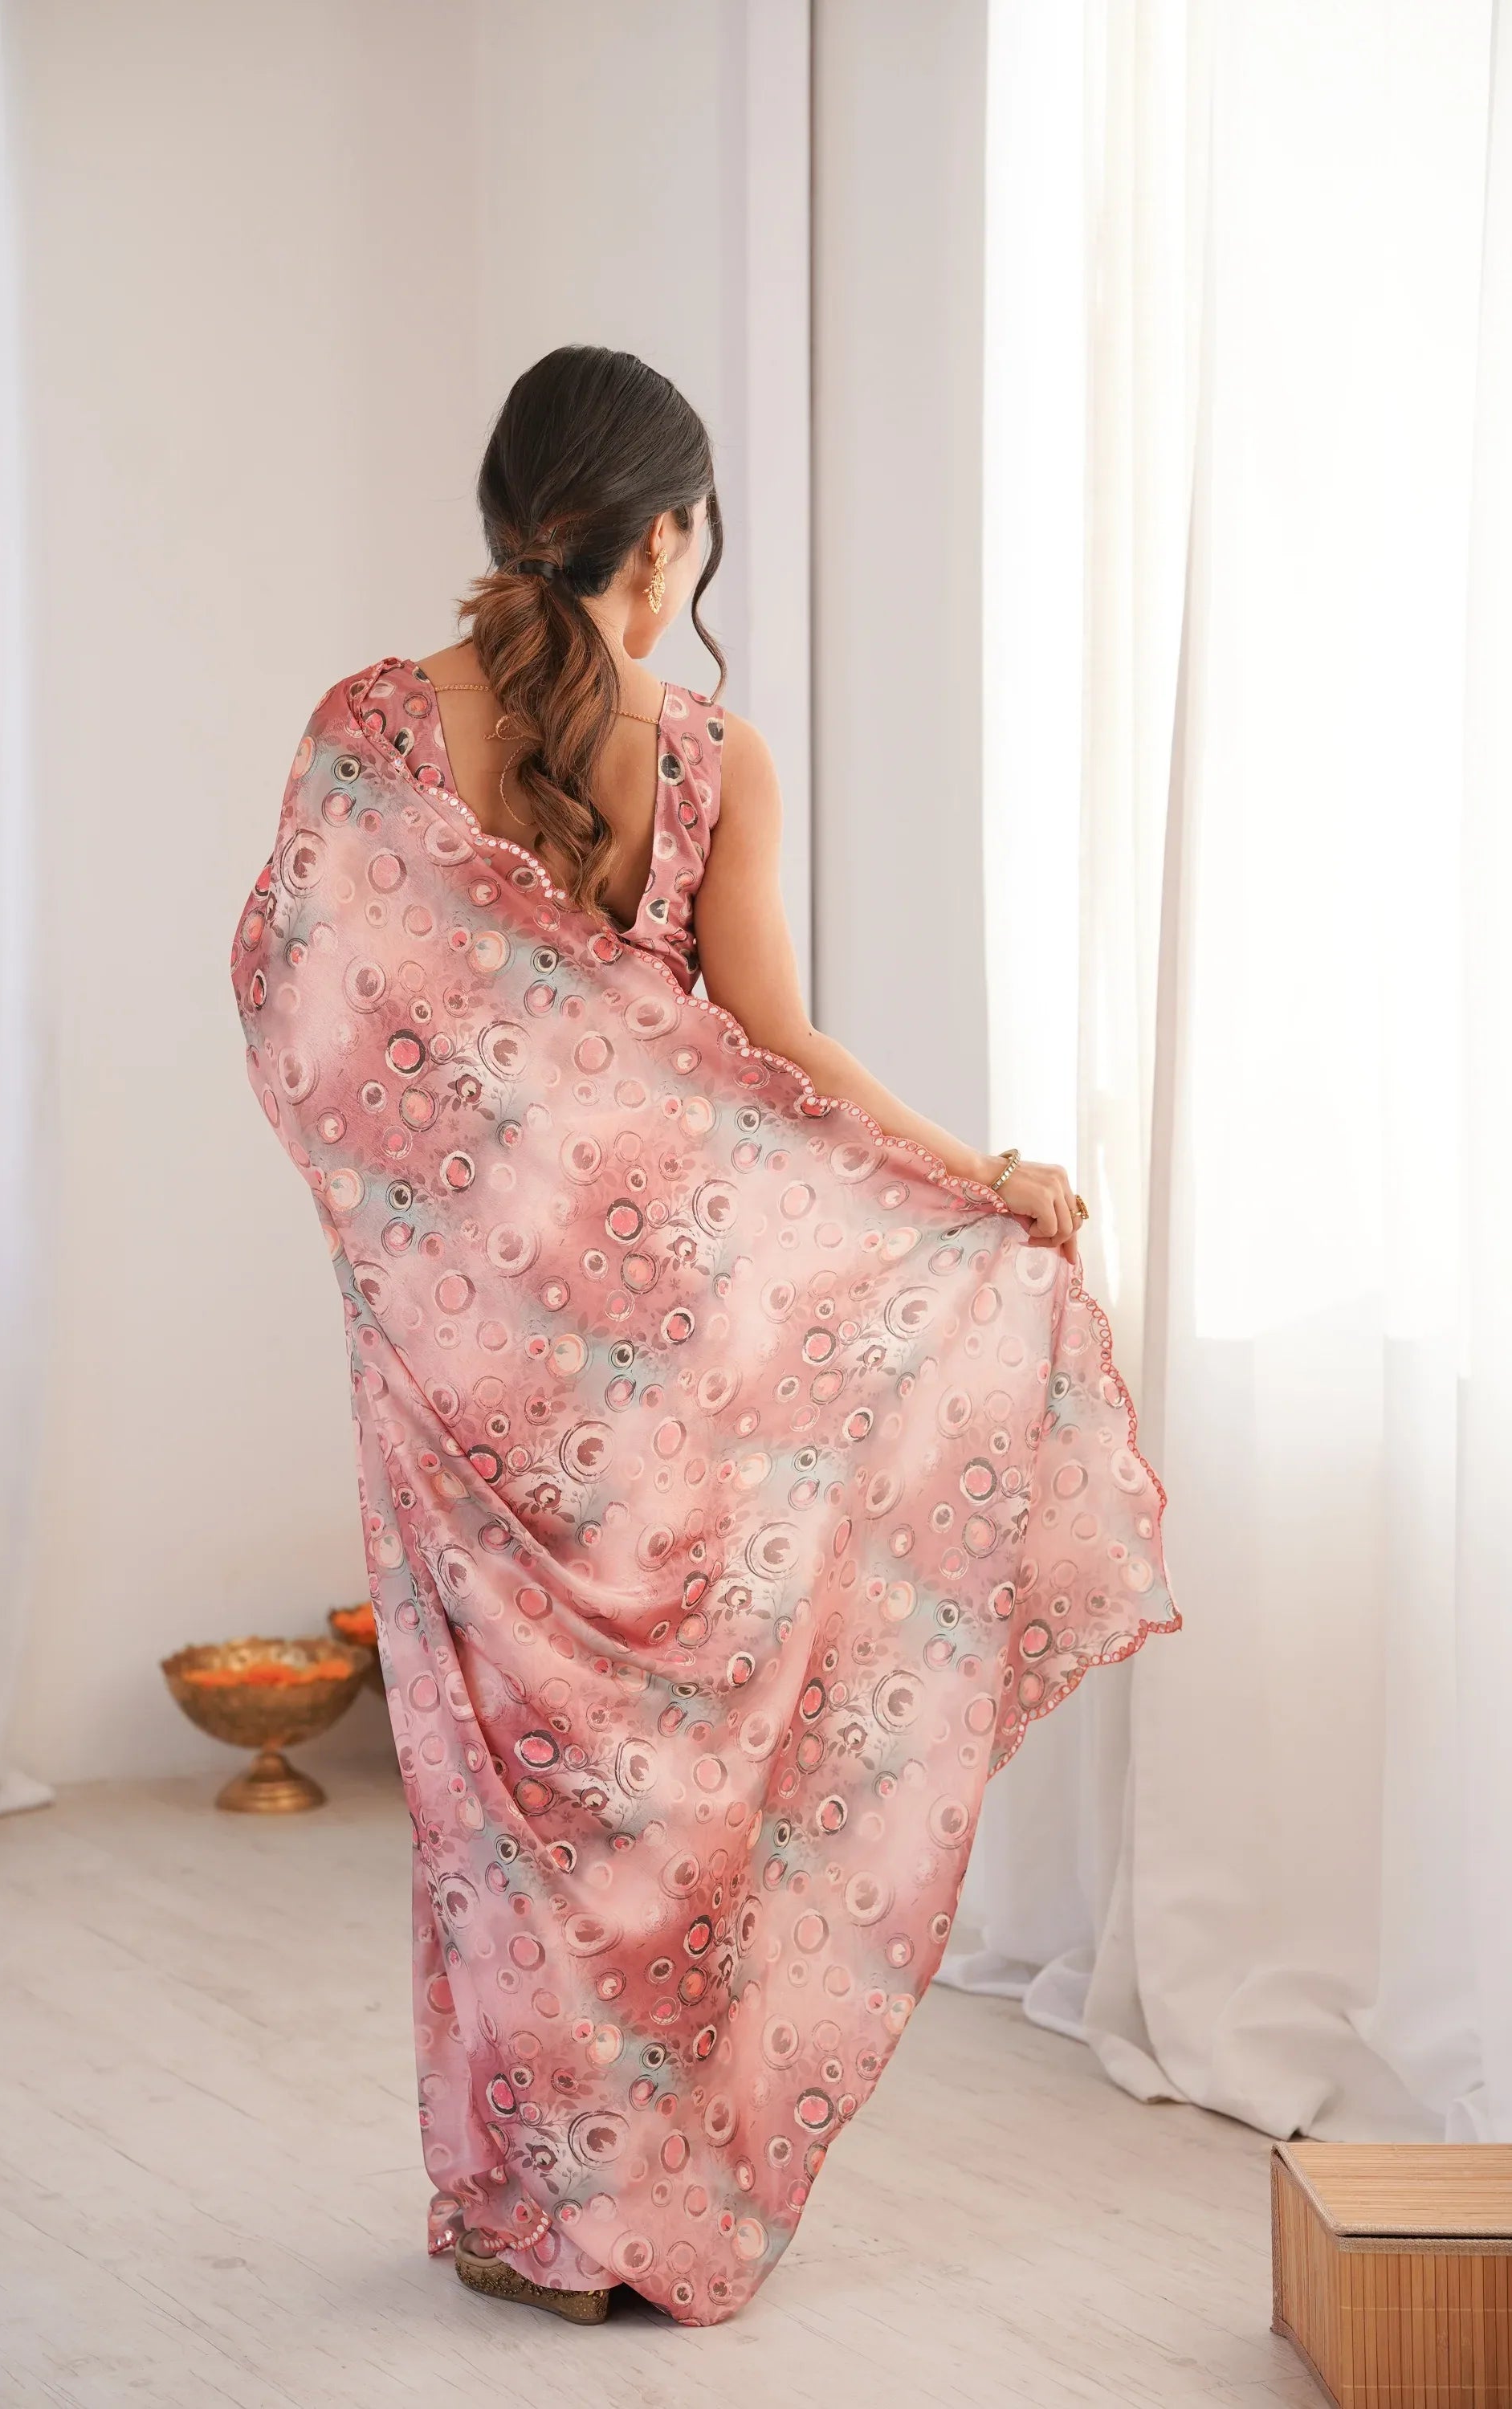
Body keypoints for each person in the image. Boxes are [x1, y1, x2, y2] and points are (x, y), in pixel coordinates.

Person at [231, 344, 1178, 2329]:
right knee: (672, 1781)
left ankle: (531, 2221)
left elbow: (302, 1021)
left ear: (510, 521)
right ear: (663, 540)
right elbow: (776, 1045)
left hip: (474, 1365)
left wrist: (442, 1237)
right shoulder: (707, 760)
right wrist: (969, 1178)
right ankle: (642, 2212)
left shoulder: (371, 732)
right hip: (693, 1363)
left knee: (506, 1798)